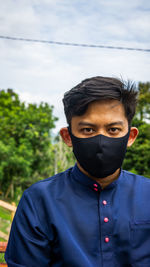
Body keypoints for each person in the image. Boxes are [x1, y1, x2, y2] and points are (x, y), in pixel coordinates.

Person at [5, 76, 150, 266]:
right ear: (68, 136)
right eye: (88, 130)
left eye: (113, 129)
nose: (101, 141)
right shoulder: (39, 201)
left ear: (130, 136)